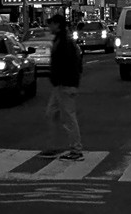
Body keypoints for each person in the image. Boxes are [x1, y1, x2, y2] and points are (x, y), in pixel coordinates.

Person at [40, 13, 84, 161]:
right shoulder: (62, 39)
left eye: (51, 24)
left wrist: (63, 80)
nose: (49, 27)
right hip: (61, 84)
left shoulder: (64, 41)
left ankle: (76, 150)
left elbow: (67, 64)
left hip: (64, 84)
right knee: (51, 113)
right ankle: (53, 146)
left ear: (57, 25)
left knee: (68, 117)